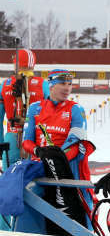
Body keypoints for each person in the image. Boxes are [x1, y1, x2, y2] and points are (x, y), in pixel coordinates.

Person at [22, 69, 96, 233]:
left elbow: (75, 144)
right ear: (51, 85)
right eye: (62, 83)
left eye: (70, 84)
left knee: (80, 220)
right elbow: (26, 141)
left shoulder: (76, 109)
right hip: (40, 170)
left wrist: (54, 159)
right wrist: (39, 151)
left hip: (69, 170)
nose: (67, 88)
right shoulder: (35, 108)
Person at [0, 49, 49, 231]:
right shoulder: (43, 85)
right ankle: (28, 226)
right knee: (34, 183)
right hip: (35, 140)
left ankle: (4, 228)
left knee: (7, 182)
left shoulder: (4, 84)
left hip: (11, 139)